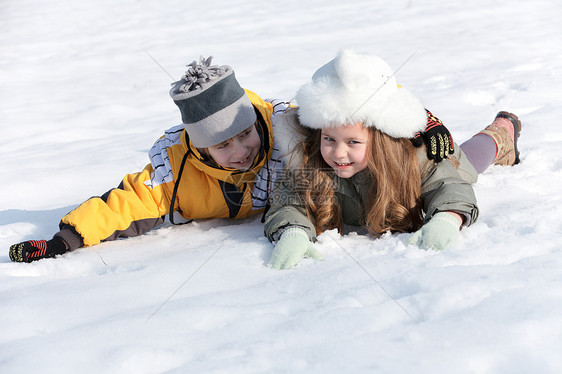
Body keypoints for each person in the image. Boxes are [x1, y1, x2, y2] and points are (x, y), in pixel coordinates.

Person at [7, 54, 455, 263]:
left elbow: (359, 108)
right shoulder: (174, 172)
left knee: (466, 160)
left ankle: (500, 136)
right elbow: (120, 204)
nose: (242, 151)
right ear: (201, 148)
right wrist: (62, 241)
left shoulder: (286, 124)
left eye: (245, 136)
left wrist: (426, 123)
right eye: (223, 146)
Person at [264, 49, 522, 270]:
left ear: (380, 139)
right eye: (329, 139)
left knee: (468, 165)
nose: (338, 153)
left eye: (353, 142)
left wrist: (448, 218)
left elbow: (449, 187)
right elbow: (288, 201)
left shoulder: (416, 156)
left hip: (443, 159)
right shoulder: (309, 161)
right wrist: (293, 231)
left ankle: (500, 133)